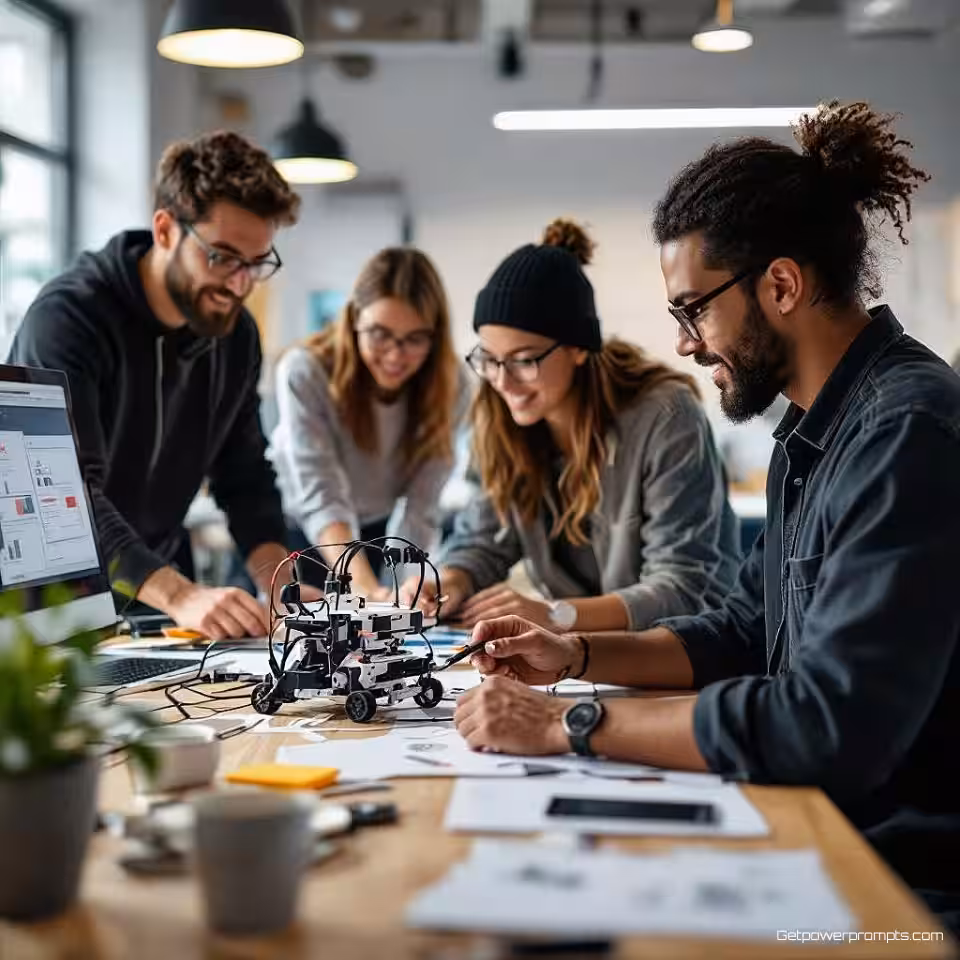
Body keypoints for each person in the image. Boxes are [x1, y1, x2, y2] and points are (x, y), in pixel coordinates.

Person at [454, 102, 960, 931]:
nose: (685, 343)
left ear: (783, 285)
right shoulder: (815, 432)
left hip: (896, 886)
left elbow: (822, 727)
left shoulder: (905, 431)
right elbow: (741, 631)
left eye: (693, 310)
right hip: (823, 837)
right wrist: (573, 651)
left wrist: (569, 722)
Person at [8, 131, 300, 640]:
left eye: (256, 263)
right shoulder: (69, 319)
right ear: (165, 230)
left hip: (152, 597)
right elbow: (65, 495)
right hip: (50, 607)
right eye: (223, 257)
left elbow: (243, 470)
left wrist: (279, 581)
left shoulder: (233, 333)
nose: (240, 285)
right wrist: (182, 594)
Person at [403, 219, 741, 633]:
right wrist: (450, 579)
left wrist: (553, 615)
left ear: (579, 347)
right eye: (489, 358)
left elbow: (686, 586)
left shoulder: (665, 416)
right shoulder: (499, 415)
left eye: (525, 359)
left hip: (679, 655)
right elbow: (483, 540)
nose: (503, 382)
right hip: (577, 657)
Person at [268, 247, 466, 598]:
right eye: (379, 333)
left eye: (414, 339)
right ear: (353, 320)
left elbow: (421, 507)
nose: (394, 355)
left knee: (375, 632)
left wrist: (405, 589)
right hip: (295, 533)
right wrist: (366, 589)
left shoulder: (453, 385)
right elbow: (323, 497)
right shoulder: (306, 371)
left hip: (373, 534)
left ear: (435, 337)